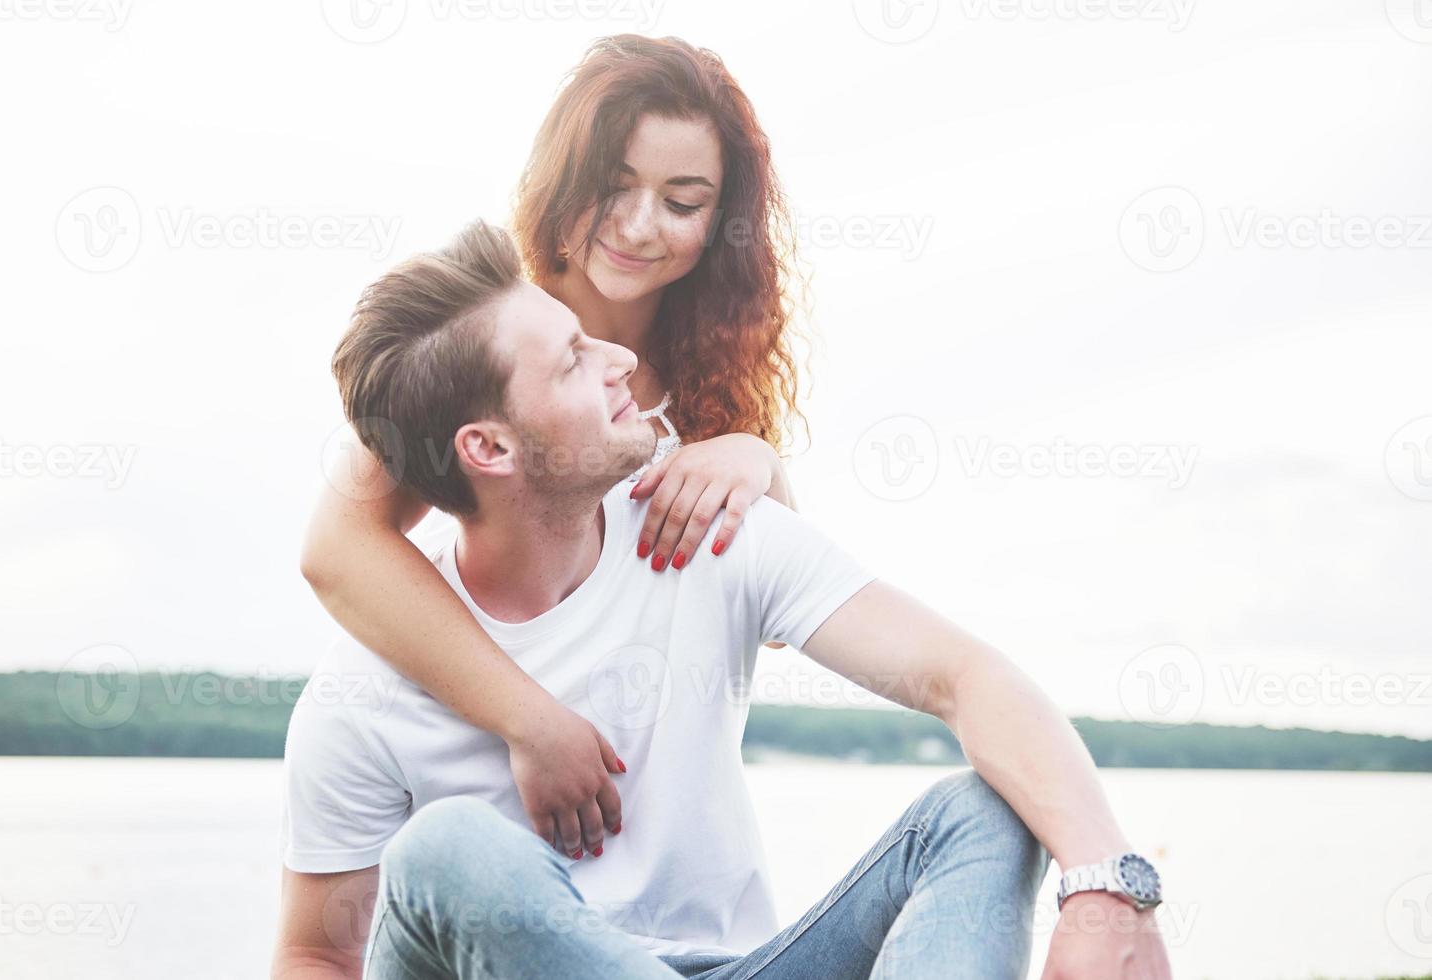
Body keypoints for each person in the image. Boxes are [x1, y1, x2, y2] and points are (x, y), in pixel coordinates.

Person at [272, 222, 1172, 979]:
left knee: (983, 811)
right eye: (575, 361)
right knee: (447, 852)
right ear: (490, 449)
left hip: (743, 967)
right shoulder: (366, 691)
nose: (622, 358)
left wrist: (1106, 883)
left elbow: (966, 677)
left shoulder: (700, 527)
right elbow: (315, 955)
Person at [301, 35, 804, 861]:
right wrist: (531, 723)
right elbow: (335, 548)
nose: (640, 228)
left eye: (683, 203)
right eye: (612, 188)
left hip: (650, 838)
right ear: (563, 179)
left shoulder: (713, 384)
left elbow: (777, 618)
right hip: (472, 796)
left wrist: (760, 459)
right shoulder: (487, 328)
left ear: (723, 224)